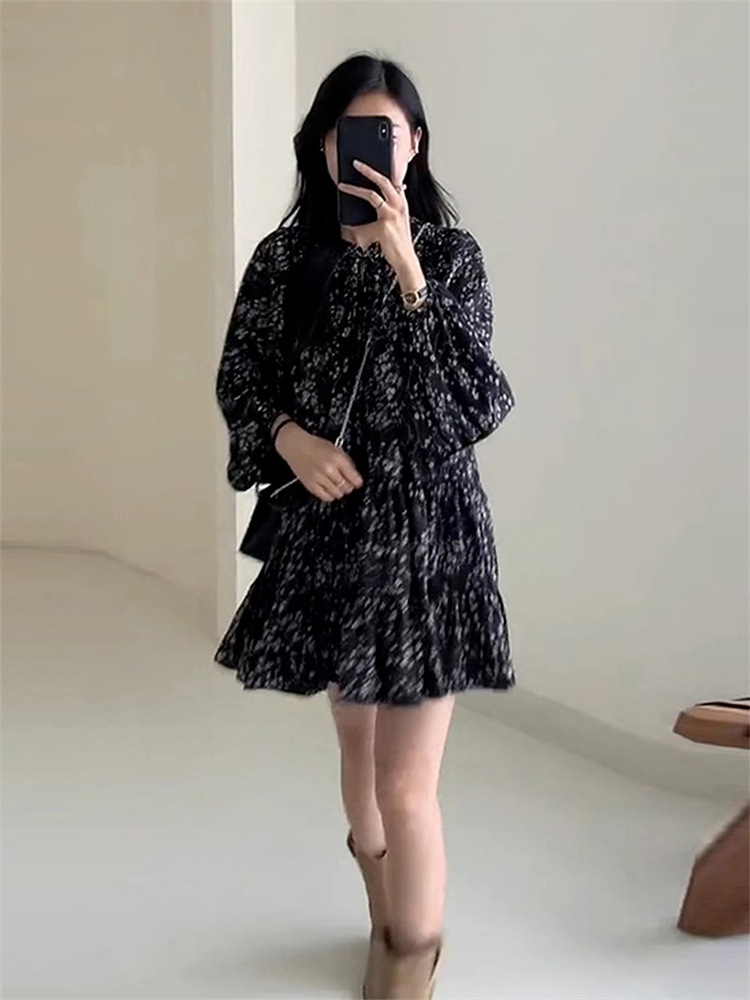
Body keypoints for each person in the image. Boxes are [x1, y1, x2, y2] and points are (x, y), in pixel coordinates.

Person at [214, 52, 516, 1000]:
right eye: (351, 135)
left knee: (406, 782)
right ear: (321, 147)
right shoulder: (283, 262)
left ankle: (406, 968)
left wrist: (405, 263)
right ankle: (388, 919)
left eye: (388, 134)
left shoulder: (452, 259)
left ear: (414, 145)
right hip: (332, 536)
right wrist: (288, 438)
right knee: (357, 755)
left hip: (429, 542)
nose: (371, 152)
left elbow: (471, 402)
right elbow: (242, 379)